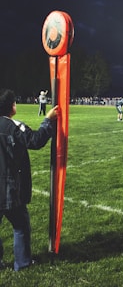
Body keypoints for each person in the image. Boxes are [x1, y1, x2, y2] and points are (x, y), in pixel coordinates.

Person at [0, 89, 58, 271]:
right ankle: (23, 263)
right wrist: (48, 120)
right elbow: (36, 140)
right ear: (11, 107)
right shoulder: (13, 127)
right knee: (20, 225)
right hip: (7, 187)